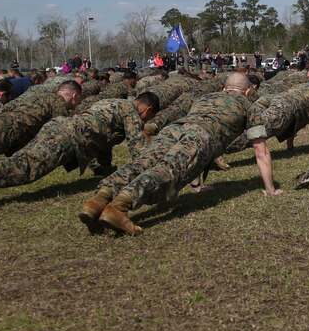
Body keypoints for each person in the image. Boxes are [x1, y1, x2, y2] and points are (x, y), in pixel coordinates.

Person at [78, 73, 281, 236]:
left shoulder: (205, 98)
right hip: (201, 135)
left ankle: (98, 201)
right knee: (167, 169)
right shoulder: (248, 106)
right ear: (247, 91)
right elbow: (260, 150)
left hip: (175, 128)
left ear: (224, 89)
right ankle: (120, 206)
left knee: (141, 162)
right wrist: (270, 189)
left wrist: (197, 186)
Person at [0, 93, 160, 211]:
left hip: (58, 126)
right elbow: (137, 148)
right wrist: (153, 168)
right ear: (147, 110)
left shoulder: (112, 103)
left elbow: (102, 140)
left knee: (23, 159)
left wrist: (106, 168)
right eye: (148, 118)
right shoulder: (131, 111)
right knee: (25, 167)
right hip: (68, 137)